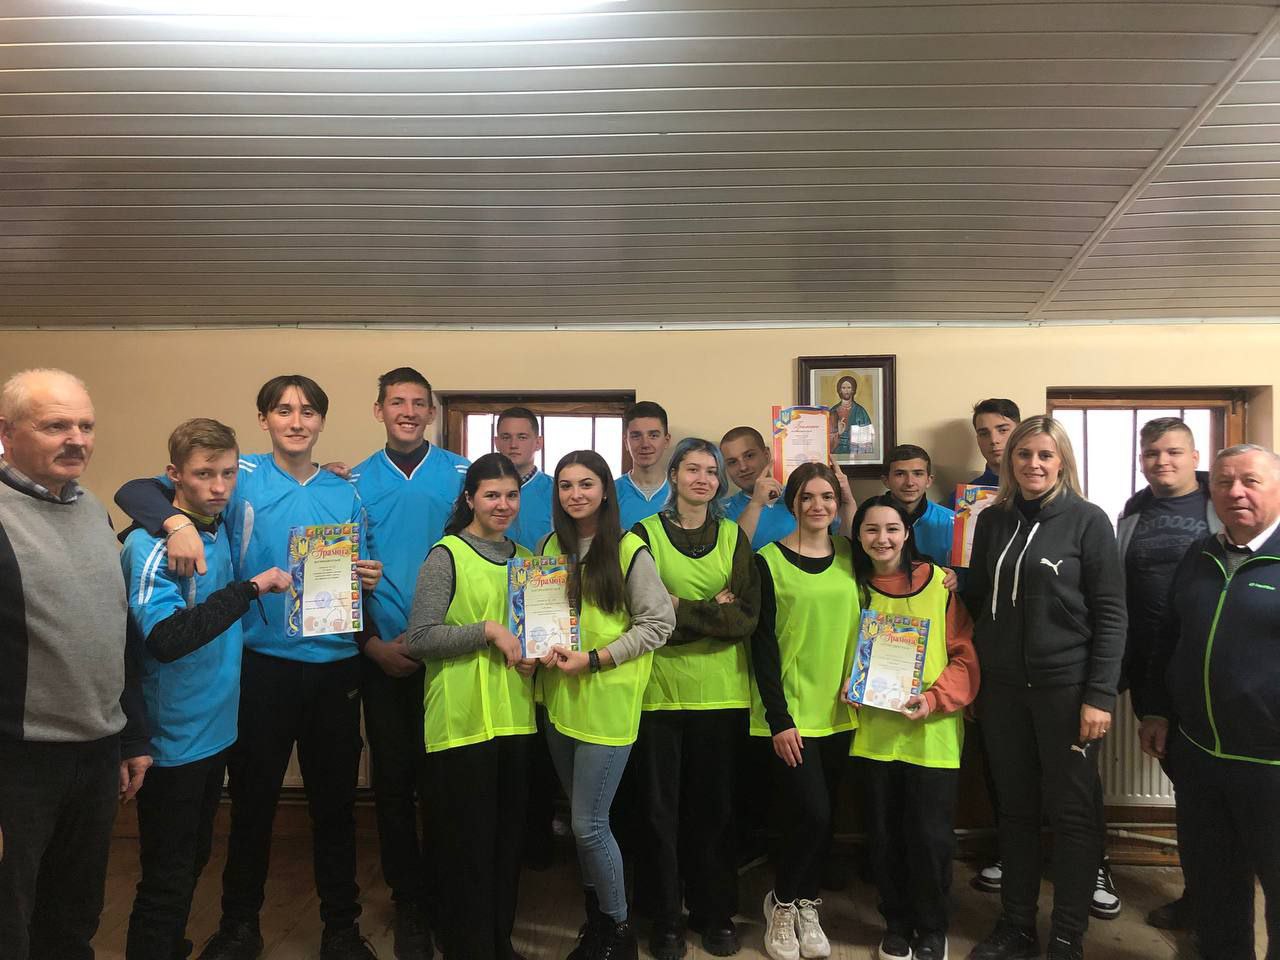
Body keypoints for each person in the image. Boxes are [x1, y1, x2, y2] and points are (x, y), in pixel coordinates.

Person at [115, 374, 383, 960]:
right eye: (283, 410)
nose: (297, 421)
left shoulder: (346, 491)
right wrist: (175, 523)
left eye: (308, 411)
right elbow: (139, 491)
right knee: (253, 805)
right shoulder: (238, 475)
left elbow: (360, 561)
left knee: (335, 807)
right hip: (261, 667)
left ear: (322, 421)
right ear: (264, 419)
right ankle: (240, 926)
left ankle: (342, 928)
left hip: (335, 667)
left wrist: (367, 575)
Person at [120, 418, 292, 960]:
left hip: (215, 730)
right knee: (165, 878)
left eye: (227, 473)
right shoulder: (152, 545)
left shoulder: (216, 529)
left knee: (193, 859)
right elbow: (166, 640)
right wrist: (249, 589)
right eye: (203, 474)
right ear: (174, 475)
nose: (219, 486)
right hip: (170, 740)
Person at [0, 368, 151, 960]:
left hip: (95, 753)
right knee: (10, 921)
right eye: (55, 426)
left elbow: (115, 632)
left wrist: (129, 736)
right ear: (6, 432)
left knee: (73, 917)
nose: (77, 440)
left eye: (86, 426)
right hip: (19, 760)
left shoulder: (92, 511)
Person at [962, 415, 1125, 960]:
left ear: (1062, 463)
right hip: (1003, 690)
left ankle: (1066, 935)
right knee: (1015, 811)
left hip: (1066, 689)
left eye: (1045, 455)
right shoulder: (992, 520)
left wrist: (1100, 695)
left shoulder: (1088, 521)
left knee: (1073, 815)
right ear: (1010, 461)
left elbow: (1111, 613)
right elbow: (977, 600)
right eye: (1024, 454)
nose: (1033, 464)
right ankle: (1016, 926)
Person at [1140, 443, 1280, 960]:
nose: (1235, 492)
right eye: (1224, 482)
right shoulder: (1200, 554)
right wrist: (1157, 709)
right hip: (1199, 756)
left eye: (1250, 481)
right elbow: (1167, 636)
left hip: (1271, 765)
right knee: (1216, 885)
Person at [347, 367, 469, 959]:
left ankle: (449, 897)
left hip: (451, 656)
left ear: (432, 413)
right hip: (385, 655)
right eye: (398, 402)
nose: (409, 411)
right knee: (393, 785)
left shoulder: (465, 476)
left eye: (420, 403)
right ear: (380, 410)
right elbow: (337, 574)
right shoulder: (351, 482)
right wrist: (371, 644)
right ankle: (409, 900)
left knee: (448, 785)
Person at [535, 450, 676, 960]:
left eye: (586, 484)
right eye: (566, 485)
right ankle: (596, 925)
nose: (576, 494)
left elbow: (658, 624)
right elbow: (540, 616)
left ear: (604, 491)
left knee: (588, 825)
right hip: (559, 702)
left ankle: (619, 932)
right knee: (583, 826)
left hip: (608, 704)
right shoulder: (549, 545)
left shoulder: (629, 548)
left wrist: (595, 659)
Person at [631, 438, 760, 960]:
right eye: (692, 469)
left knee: (715, 813)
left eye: (711, 471)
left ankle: (715, 913)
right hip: (658, 696)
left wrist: (678, 607)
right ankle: (664, 918)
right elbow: (642, 616)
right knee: (658, 814)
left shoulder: (733, 536)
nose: (702, 479)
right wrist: (710, 611)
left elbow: (744, 618)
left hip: (721, 697)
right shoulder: (642, 535)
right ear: (674, 475)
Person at [406, 453, 537, 960]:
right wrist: (487, 631)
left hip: (515, 718)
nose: (503, 505)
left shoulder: (529, 560)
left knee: (507, 843)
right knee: (466, 845)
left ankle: (498, 940)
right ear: (470, 499)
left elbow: (535, 637)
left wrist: (537, 656)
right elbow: (419, 638)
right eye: (491, 495)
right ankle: (467, 945)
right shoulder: (447, 555)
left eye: (511, 495)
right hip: (460, 722)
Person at [845, 499, 979, 960]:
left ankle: (932, 927)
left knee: (930, 839)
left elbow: (964, 655)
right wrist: (848, 683)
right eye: (871, 529)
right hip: (873, 736)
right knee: (884, 838)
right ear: (858, 536)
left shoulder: (939, 583)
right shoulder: (851, 587)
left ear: (906, 534)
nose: (882, 538)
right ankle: (896, 923)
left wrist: (935, 699)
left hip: (932, 735)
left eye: (891, 529)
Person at [749, 463, 860, 960]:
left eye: (827, 497)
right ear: (792, 502)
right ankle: (781, 902)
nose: (818, 506)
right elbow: (763, 646)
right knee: (810, 814)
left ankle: (807, 903)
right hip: (790, 712)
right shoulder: (768, 561)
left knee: (825, 815)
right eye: (808, 497)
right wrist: (779, 718)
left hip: (840, 710)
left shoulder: (851, 555)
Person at [1116, 417, 1219, 931]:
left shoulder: (1221, 502)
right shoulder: (1134, 510)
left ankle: (1224, 902)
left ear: (1195, 457)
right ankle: (1201, 898)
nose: (1163, 461)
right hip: (1154, 671)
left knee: (1226, 796)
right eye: (1152, 453)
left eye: (1174, 452)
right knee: (1190, 794)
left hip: (1215, 672)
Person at [720, 426, 856, 550]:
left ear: (766, 455)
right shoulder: (721, 509)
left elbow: (849, 547)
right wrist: (755, 503)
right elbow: (729, 555)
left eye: (749, 456)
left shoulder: (802, 497)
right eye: (732, 462)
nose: (743, 467)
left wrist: (847, 501)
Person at [879, 443, 956, 566]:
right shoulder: (869, 519)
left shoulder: (954, 522)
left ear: (929, 480)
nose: (910, 482)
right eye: (900, 474)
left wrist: (955, 575)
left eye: (918, 474)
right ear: (886, 481)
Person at [496, 406, 555, 551]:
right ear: (496, 442)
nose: (513, 445)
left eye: (522, 437)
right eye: (506, 437)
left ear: (539, 442)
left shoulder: (558, 491)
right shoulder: (479, 490)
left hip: (543, 565)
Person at [616, 401, 673, 529]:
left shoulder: (682, 492)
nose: (645, 444)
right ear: (626, 442)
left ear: (666, 441)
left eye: (653, 435)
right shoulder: (611, 493)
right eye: (636, 436)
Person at [969, 399, 1021, 488]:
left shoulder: (1039, 488)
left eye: (1003, 430)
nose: (993, 440)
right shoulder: (963, 495)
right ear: (978, 439)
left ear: (1019, 432)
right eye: (984, 433)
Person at [828, 376, 873, 456]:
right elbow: (826, 438)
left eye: (849, 388)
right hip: (836, 453)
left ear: (853, 390)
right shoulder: (833, 411)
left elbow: (867, 438)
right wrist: (838, 433)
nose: (846, 391)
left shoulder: (860, 411)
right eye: (843, 388)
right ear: (839, 390)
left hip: (855, 453)